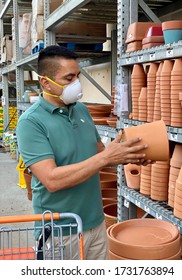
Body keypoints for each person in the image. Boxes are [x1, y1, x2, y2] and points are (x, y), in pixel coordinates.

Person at [16, 45, 151, 260]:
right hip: (60, 231)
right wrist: (106, 157)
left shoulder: (81, 110)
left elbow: (100, 155)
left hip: (95, 224)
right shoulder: (31, 123)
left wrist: (128, 155)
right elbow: (51, 179)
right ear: (45, 82)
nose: (76, 84)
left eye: (77, 76)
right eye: (69, 78)